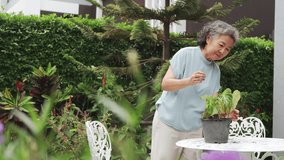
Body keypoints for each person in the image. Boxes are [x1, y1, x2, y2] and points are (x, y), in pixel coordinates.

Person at [150, 20, 240, 160]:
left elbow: (212, 105)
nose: (223, 51)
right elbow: (165, 84)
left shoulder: (215, 71)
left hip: (195, 130)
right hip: (169, 124)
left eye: (228, 49)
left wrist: (227, 113)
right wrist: (188, 81)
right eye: (221, 45)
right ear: (209, 38)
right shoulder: (185, 54)